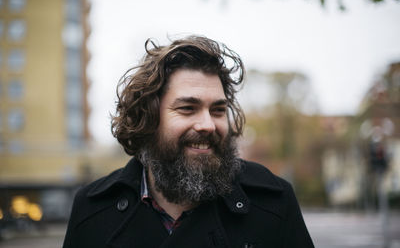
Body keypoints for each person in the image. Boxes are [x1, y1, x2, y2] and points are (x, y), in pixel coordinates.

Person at [63, 36, 315, 248]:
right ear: (148, 118)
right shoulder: (92, 211)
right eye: (187, 108)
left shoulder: (273, 203)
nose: (208, 124)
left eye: (217, 110)